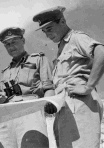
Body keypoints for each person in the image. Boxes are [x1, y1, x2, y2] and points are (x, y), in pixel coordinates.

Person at [33, 6, 104, 148]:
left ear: (62, 21)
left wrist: (88, 87)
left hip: (79, 103)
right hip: (64, 107)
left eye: (50, 28)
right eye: (44, 31)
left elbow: (101, 52)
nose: (47, 35)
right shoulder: (61, 48)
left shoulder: (76, 38)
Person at [0, 27, 55, 148]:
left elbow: (49, 87)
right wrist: (2, 99)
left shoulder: (39, 59)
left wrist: (49, 104)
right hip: (8, 113)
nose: (11, 47)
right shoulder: (6, 71)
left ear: (23, 40)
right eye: (7, 44)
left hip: (30, 109)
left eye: (14, 42)